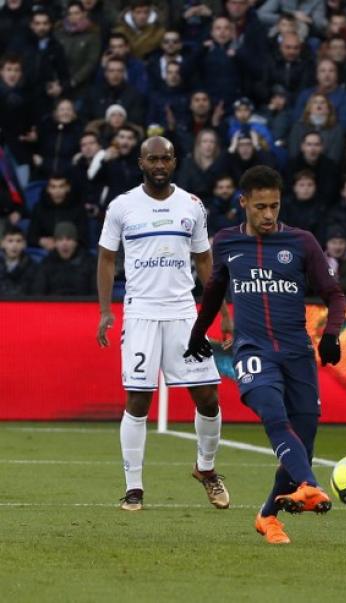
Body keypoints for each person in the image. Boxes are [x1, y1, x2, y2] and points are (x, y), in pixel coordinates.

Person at [185, 165, 346, 545]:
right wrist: (197, 334)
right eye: (260, 207)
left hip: (297, 354)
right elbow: (211, 296)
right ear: (243, 203)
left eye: (274, 206)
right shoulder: (224, 243)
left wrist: (332, 334)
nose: (269, 214)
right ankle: (309, 485)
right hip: (252, 351)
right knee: (273, 413)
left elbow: (334, 295)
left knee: (303, 439)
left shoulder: (301, 242)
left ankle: (268, 516)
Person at [96, 136, 232, 512]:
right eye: (153, 158)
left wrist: (220, 309)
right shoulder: (122, 206)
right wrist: (106, 310)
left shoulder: (191, 205)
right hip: (140, 313)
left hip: (184, 313)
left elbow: (205, 260)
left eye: (166, 159)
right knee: (138, 399)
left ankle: (206, 469)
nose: (159, 164)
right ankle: (134, 487)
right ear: (141, 162)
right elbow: (107, 258)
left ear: (174, 162)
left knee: (208, 396)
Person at [31, 222, 96, 295]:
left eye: (69, 239)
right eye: (60, 239)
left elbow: (95, 292)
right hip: (54, 304)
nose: (64, 243)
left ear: (76, 242)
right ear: (55, 243)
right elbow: (38, 293)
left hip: (83, 304)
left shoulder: (89, 262)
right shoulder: (47, 263)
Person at [0, 225, 37, 296]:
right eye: (10, 241)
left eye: (18, 241)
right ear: (2, 244)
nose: (14, 245)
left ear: (24, 244)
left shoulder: (33, 267)